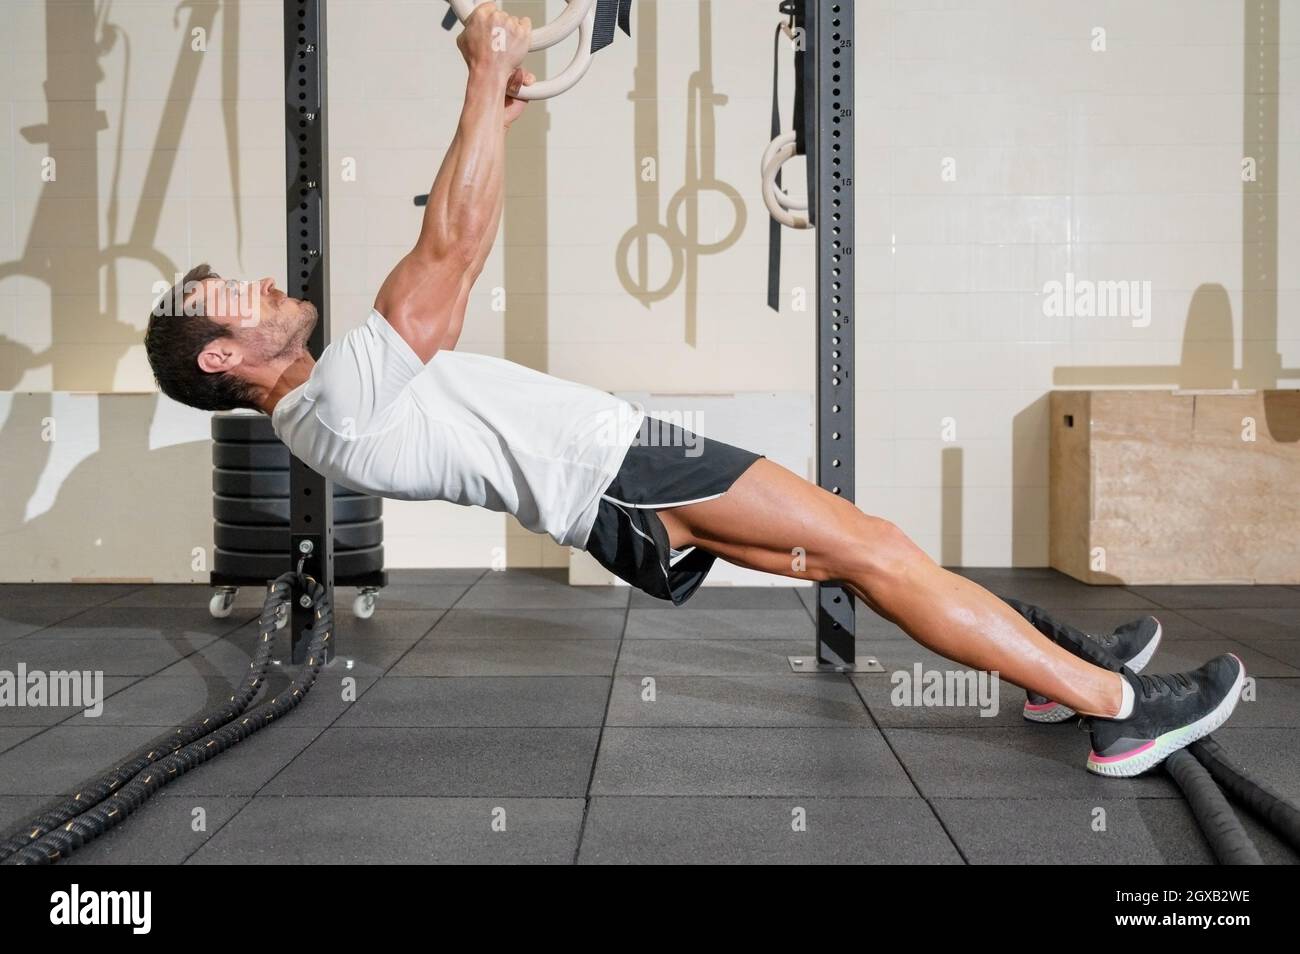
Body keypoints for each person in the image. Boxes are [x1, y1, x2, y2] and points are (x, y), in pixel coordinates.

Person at [143, 4, 1242, 777]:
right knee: (876, 550)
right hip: (623, 475)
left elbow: (451, 259)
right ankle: (1118, 713)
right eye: (239, 295)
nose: (272, 284)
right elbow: (449, 258)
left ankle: (1051, 673)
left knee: (867, 548)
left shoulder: (335, 400)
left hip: (618, 485)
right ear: (222, 359)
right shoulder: (332, 405)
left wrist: (494, 120)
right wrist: (480, 75)